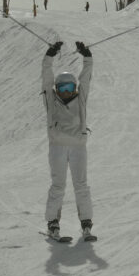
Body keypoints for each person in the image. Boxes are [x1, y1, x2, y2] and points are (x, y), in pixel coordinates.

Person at [41, 39, 95, 241]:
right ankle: (53, 223)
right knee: (58, 185)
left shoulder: (80, 100)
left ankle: (86, 223)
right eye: (62, 89)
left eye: (69, 88)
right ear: (56, 90)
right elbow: (46, 79)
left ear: (74, 88)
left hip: (78, 147)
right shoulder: (52, 102)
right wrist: (49, 56)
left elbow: (86, 80)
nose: (66, 93)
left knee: (81, 184)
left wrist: (87, 57)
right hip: (57, 146)